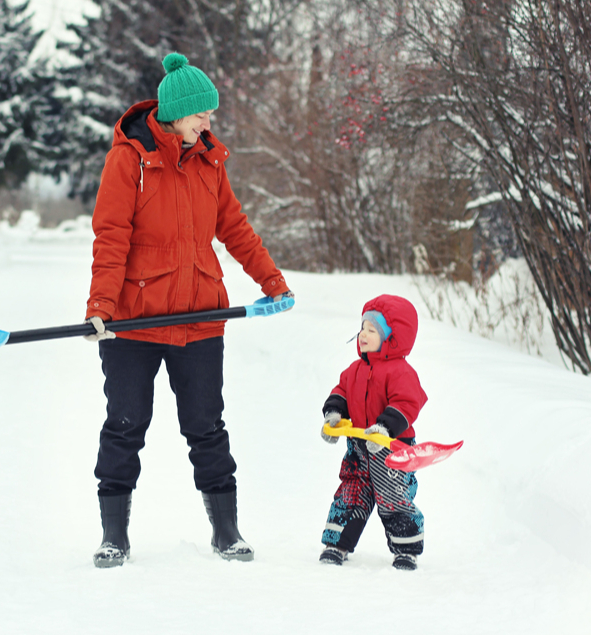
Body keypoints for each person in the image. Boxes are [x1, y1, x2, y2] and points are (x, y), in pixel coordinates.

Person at [83, 52, 293, 568]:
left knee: (206, 425)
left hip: (200, 316)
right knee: (125, 424)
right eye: (201, 113)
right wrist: (101, 307)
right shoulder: (129, 159)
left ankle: (227, 532)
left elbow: (235, 228)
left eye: (209, 115)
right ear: (176, 112)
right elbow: (111, 237)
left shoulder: (209, 162)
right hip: (135, 319)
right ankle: (114, 537)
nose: (208, 121)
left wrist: (272, 280)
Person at [318, 294, 427, 570]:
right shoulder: (354, 370)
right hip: (359, 445)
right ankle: (337, 543)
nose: (363, 334)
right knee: (352, 490)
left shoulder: (401, 372)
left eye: (372, 330)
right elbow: (341, 391)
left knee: (393, 495)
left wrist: (385, 428)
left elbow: (407, 403)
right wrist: (335, 415)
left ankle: (406, 549)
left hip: (390, 447)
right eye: (362, 327)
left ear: (391, 338)